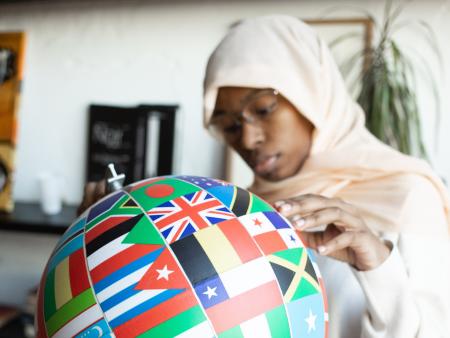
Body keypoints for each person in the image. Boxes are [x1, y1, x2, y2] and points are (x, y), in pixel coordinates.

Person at [79, 15, 450, 338]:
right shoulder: (236, 206)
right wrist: (103, 241)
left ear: (310, 92)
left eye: (262, 109)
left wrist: (379, 267)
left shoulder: (407, 194)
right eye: (228, 125)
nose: (248, 139)